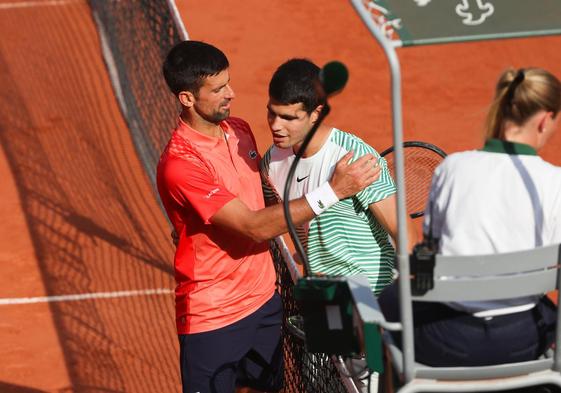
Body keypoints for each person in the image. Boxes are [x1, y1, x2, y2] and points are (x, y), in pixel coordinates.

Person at [156, 41, 381, 393]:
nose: (230, 94)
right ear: (187, 98)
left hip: (264, 303)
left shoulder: (239, 130)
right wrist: (334, 191)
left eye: (228, 82)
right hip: (212, 315)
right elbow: (253, 226)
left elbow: (264, 198)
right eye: (218, 90)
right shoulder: (181, 164)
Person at [379, 67, 561, 368]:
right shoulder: (556, 181)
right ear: (545, 119)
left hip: (444, 343)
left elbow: (428, 255)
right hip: (524, 343)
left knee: (389, 299)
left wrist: (414, 291)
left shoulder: (453, 167)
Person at [260, 58, 417, 296]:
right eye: (272, 113)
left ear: (316, 114)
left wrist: (403, 300)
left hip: (373, 296)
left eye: (289, 118)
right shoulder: (271, 162)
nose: (276, 126)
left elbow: (404, 233)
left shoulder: (354, 156)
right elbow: (281, 222)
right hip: (322, 294)